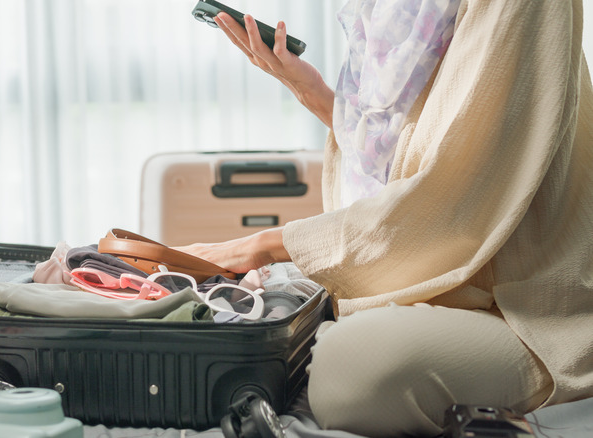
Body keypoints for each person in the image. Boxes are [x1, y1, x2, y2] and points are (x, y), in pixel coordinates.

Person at [177, 1, 593, 436]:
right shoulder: (386, 12)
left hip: (519, 305)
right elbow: (407, 157)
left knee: (350, 368)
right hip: (419, 272)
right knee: (250, 309)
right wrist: (311, 92)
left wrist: (257, 245)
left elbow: (454, 198)